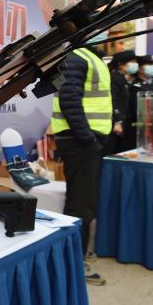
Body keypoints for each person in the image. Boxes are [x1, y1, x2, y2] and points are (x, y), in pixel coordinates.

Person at [51, 33, 112, 285]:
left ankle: (77, 255)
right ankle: (75, 263)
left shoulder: (88, 57)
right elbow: (69, 100)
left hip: (85, 141)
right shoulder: (77, 57)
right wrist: (87, 138)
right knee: (81, 205)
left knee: (84, 201)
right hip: (80, 142)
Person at [118, 55, 153, 152]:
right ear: (139, 68)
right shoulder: (134, 85)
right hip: (136, 128)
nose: (152, 66)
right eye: (149, 64)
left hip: (151, 127)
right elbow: (136, 108)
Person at [107, 50, 136, 153]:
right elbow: (113, 99)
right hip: (115, 124)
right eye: (131, 62)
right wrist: (117, 121)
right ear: (120, 64)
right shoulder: (114, 77)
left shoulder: (121, 77)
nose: (135, 65)